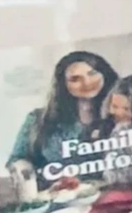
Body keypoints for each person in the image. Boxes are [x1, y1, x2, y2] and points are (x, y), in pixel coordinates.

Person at [9, 50, 120, 181]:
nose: (87, 83)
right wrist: (23, 169)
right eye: (75, 79)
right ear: (63, 84)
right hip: (60, 191)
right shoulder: (38, 119)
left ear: (105, 74)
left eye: (92, 74)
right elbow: (18, 159)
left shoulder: (125, 113)